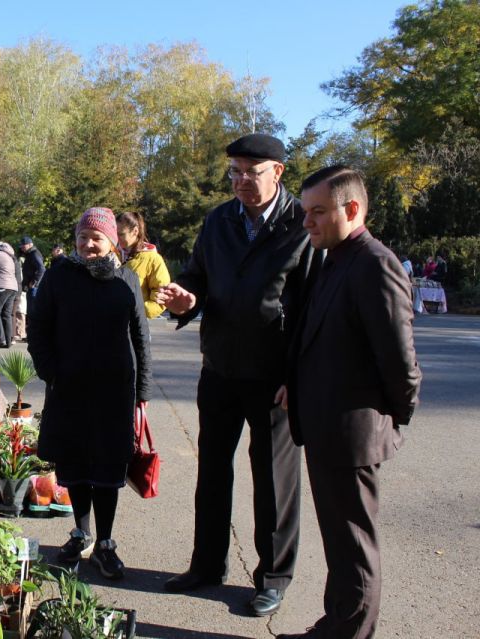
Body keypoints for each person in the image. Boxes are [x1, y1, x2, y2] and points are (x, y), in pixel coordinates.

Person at [157, 133, 321, 616]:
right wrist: (187, 296)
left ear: (278, 172)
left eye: (252, 171)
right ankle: (206, 564)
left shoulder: (301, 223)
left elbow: (313, 307)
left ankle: (273, 575)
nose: (241, 181)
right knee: (212, 470)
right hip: (221, 365)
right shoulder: (219, 220)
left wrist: (300, 374)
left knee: (273, 478)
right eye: (234, 172)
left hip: (275, 374)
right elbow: (197, 276)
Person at [277, 166, 421, 639]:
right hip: (325, 428)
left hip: (351, 432)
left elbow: (400, 362)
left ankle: (350, 633)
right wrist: (294, 385)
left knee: (355, 548)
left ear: (352, 209)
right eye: (305, 212)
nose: (307, 223)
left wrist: (392, 419)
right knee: (341, 546)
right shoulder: (336, 259)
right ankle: (336, 624)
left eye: (318, 212)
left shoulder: (375, 264)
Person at [28, 207, 151, 580]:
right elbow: (38, 326)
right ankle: (80, 533)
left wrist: (142, 390)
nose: (87, 244)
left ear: (111, 241)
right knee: (76, 465)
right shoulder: (59, 276)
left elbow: (141, 338)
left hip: (115, 392)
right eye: (82, 237)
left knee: (108, 469)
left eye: (96, 237)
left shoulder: (126, 279)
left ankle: (106, 544)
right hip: (70, 389)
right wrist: (50, 372)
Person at [116, 211, 171, 318]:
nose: (117, 238)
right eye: (115, 233)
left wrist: (137, 311)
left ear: (135, 231)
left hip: (136, 327)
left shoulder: (152, 259)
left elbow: (162, 296)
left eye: (121, 234)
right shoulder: (110, 254)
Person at [19, 236, 45, 320]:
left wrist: (34, 282)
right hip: (31, 287)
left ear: (30, 244)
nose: (22, 247)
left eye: (24, 245)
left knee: (33, 310)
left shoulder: (34, 254)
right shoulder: (30, 254)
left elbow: (41, 268)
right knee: (31, 310)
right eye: (21, 246)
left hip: (34, 288)